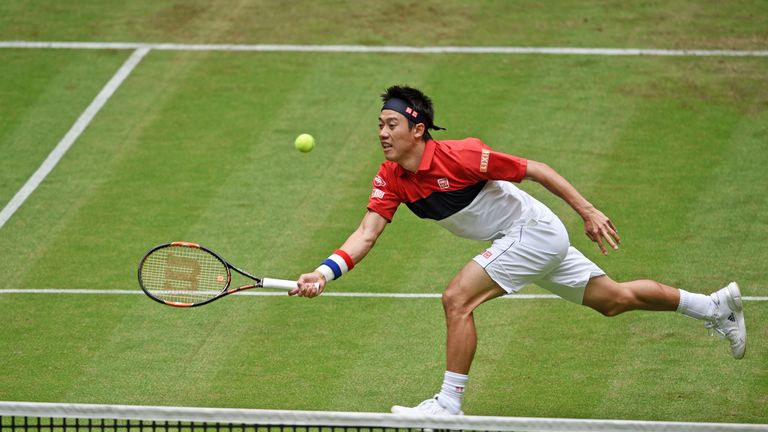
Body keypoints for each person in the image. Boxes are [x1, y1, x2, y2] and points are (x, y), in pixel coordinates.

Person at [291, 85, 747, 416]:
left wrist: (587, 212)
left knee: (456, 299)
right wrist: (323, 273)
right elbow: (366, 233)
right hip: (519, 240)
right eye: (380, 125)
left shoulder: (462, 155)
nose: (383, 134)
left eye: (391, 125)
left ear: (418, 129)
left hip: (533, 231)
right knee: (615, 301)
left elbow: (537, 169)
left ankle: (448, 404)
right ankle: (713, 306)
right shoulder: (391, 177)